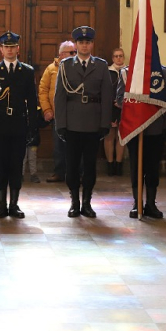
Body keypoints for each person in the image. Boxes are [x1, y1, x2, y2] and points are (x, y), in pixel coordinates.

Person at [54, 26, 113, 218]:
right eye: (81, 42)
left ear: (92, 44)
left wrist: (105, 122)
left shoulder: (101, 65)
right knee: (71, 165)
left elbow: (107, 95)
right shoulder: (65, 65)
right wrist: (60, 124)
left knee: (89, 165)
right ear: (76, 45)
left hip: (93, 122)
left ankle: (87, 202)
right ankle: (74, 202)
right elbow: (60, 97)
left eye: (87, 42)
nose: (84, 45)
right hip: (71, 122)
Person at [0, 31, 38, 219]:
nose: (9, 50)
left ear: (18, 49)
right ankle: (1, 205)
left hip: (18, 125)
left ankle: (14, 204)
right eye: (6, 47)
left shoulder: (27, 71)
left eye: (12, 46)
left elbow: (32, 100)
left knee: (16, 165)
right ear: (1, 50)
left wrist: (33, 127)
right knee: (0, 165)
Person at [117, 65, 166, 218]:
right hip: (135, 128)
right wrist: (139, 105)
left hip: (156, 127)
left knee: (152, 168)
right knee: (136, 166)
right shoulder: (127, 72)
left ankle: (151, 203)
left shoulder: (162, 72)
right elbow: (120, 98)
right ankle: (137, 203)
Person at [38, 40, 76, 183]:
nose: (74, 55)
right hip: (57, 115)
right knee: (59, 146)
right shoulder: (51, 69)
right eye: (71, 52)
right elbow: (43, 90)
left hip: (75, 115)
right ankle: (59, 172)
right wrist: (47, 109)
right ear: (61, 55)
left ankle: (76, 173)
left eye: (75, 52)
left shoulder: (79, 68)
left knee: (75, 146)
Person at [105, 48, 126, 176]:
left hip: (124, 107)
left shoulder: (128, 71)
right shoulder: (107, 71)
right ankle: (110, 164)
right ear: (112, 58)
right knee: (109, 135)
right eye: (116, 56)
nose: (118, 58)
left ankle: (119, 164)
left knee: (121, 136)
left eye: (121, 56)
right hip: (110, 107)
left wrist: (122, 103)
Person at [22, 105, 49, 183]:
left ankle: (33, 174)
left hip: (33, 138)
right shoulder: (20, 106)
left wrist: (48, 120)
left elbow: (40, 123)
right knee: (22, 157)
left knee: (32, 157)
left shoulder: (36, 109)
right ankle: (20, 174)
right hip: (22, 137)